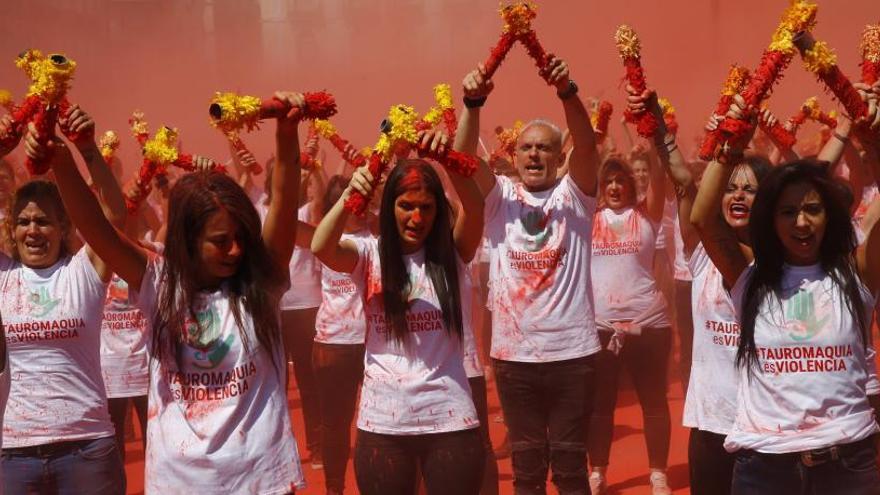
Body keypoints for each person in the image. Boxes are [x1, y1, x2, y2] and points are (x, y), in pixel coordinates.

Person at [41, 92, 308, 494]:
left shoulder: (261, 283)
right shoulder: (160, 282)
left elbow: (286, 200)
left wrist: (287, 134)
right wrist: (62, 161)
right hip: (179, 482)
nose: (235, 249)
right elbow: (96, 228)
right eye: (220, 241)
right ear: (187, 240)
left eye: (240, 237)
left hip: (262, 480)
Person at [692, 90, 880, 495]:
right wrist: (730, 149)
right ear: (769, 221)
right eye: (787, 212)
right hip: (766, 469)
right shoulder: (749, 276)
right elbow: (702, 217)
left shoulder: (857, 273)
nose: (801, 222)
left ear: (830, 217)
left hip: (847, 466)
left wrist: (872, 142)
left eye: (813, 209)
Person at [454, 57, 602, 494]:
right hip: (514, 359)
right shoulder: (500, 198)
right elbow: (462, 160)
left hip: (573, 356)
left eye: (544, 148)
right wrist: (472, 103)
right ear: (514, 157)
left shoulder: (576, 195)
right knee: (528, 470)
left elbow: (589, 146)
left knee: (572, 469)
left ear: (559, 157)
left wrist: (567, 92)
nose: (534, 154)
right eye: (526, 148)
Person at [311, 128, 486, 495]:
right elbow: (321, 246)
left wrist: (447, 160)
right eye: (406, 206)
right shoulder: (368, 255)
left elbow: (476, 206)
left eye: (426, 207)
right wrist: (349, 196)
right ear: (389, 207)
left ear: (438, 211)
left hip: (450, 421)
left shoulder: (453, 254)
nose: (416, 218)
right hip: (383, 426)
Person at [1, 106, 127, 494]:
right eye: (24, 221)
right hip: (15, 453)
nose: (33, 230)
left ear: (64, 227)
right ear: (12, 228)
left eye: (44, 221)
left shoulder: (83, 271)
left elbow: (113, 216)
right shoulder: (4, 276)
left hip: (87, 447)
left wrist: (87, 150)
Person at [586, 146, 672, 493]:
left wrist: (653, 147)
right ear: (601, 187)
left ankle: (658, 474)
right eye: (609, 181)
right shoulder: (589, 219)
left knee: (653, 402)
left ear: (632, 186)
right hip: (601, 328)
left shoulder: (647, 215)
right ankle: (597, 472)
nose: (616, 187)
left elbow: (659, 178)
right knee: (599, 406)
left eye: (622, 180)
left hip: (648, 325)